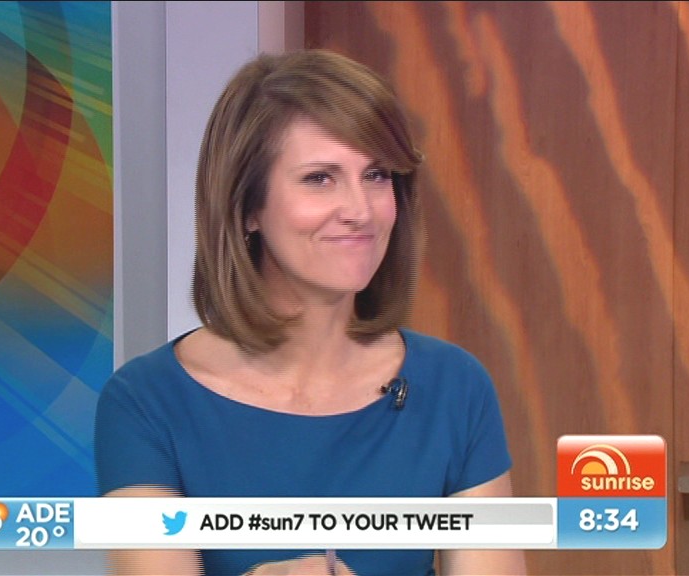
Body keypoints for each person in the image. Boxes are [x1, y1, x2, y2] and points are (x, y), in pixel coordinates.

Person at [95, 49, 525, 575]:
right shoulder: (147, 401)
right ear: (247, 208)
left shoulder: (454, 387)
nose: (360, 210)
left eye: (377, 175)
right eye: (320, 178)